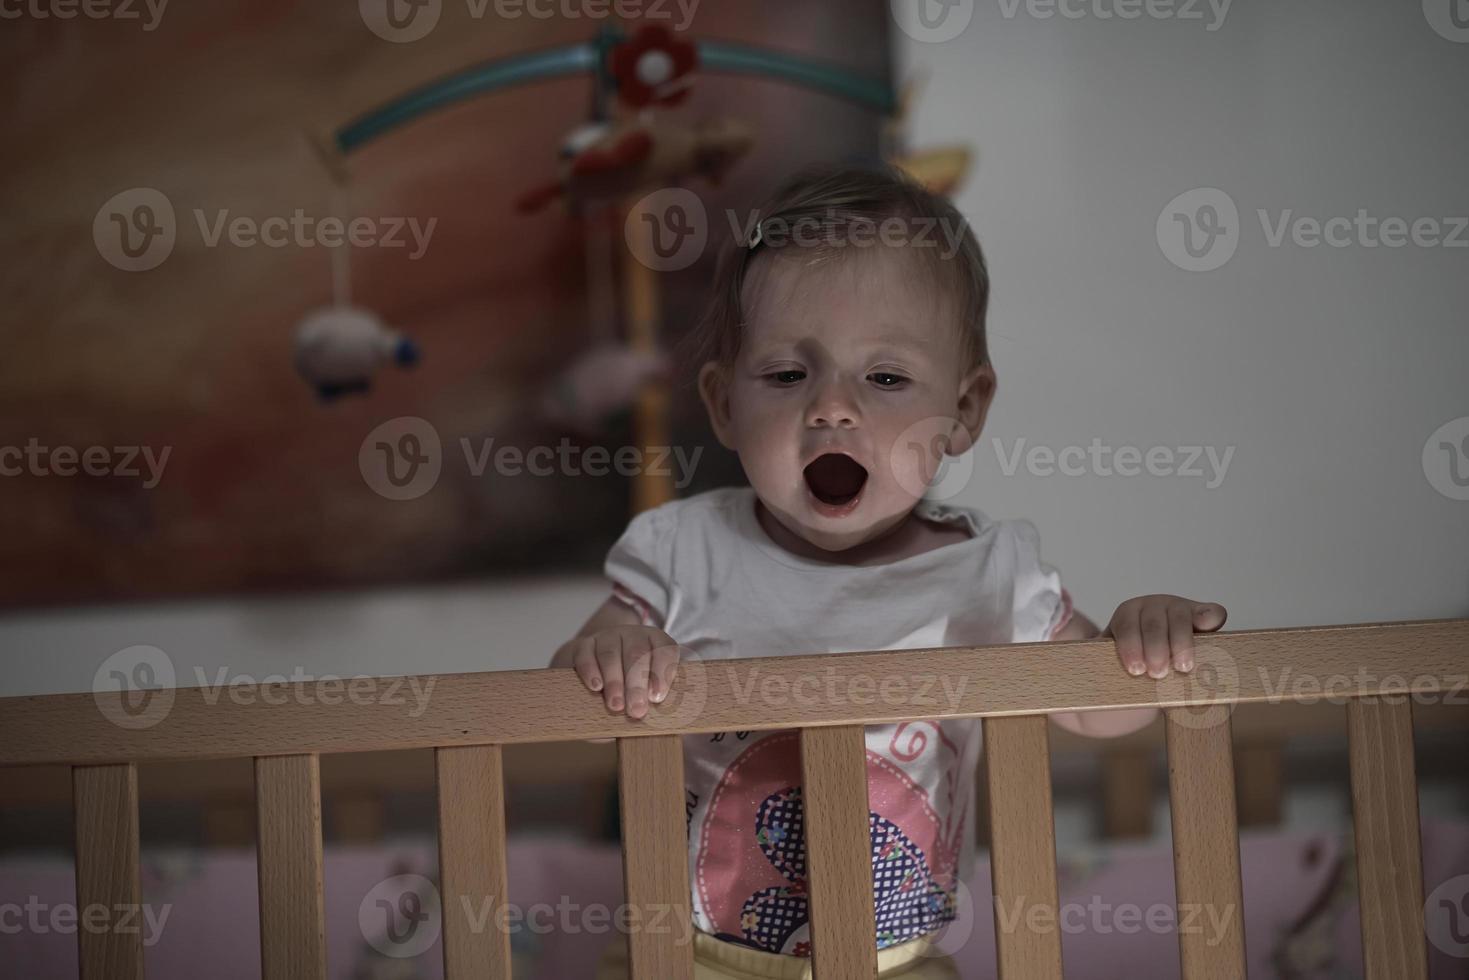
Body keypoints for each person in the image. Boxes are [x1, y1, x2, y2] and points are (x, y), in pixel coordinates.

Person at [548, 163, 1228, 979]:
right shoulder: (681, 551)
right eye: (787, 374)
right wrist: (609, 656)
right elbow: (573, 706)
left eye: (885, 378)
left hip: (898, 962)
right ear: (724, 403)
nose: (831, 406)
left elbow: (1101, 715)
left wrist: (1138, 643)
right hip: (687, 953)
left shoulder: (989, 575)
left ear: (963, 411)